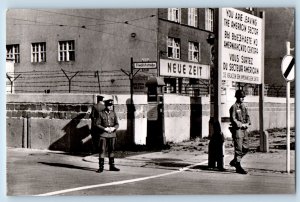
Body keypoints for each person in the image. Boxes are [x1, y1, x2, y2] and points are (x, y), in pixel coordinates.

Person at [93, 98, 120, 173]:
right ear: (105, 106)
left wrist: (114, 128)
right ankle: (101, 167)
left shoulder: (113, 113)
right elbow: (97, 124)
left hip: (112, 134)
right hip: (103, 134)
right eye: (108, 105)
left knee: (111, 150)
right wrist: (105, 129)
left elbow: (117, 124)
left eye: (111, 105)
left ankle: (112, 166)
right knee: (102, 150)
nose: (110, 107)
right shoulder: (101, 113)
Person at [229, 89, 251, 174]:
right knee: (238, 148)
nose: (242, 98)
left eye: (243, 97)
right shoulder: (234, 107)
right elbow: (233, 119)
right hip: (237, 129)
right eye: (241, 97)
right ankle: (238, 166)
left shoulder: (244, 106)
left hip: (244, 129)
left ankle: (235, 161)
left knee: (246, 148)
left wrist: (248, 123)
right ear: (237, 97)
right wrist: (240, 124)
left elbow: (247, 116)